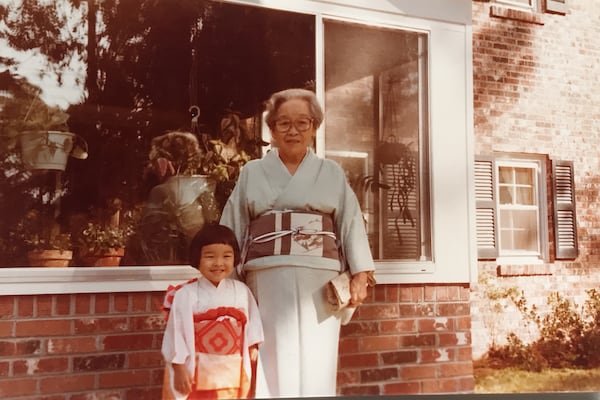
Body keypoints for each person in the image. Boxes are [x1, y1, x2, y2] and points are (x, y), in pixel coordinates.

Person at [220, 88, 376, 398]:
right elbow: (232, 225)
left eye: (302, 123)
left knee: (318, 358)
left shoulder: (330, 172)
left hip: (320, 279)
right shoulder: (253, 172)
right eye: (283, 123)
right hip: (267, 276)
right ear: (273, 129)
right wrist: (226, 277)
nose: (293, 131)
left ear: (314, 127)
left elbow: (351, 222)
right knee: (272, 356)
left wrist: (360, 274)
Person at [161, 223, 264, 400]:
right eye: (210, 256)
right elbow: (175, 332)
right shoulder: (186, 294)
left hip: (233, 368)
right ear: (197, 258)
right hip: (196, 367)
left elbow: (252, 322)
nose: (218, 263)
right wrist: (178, 366)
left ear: (235, 258)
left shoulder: (241, 291)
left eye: (226, 256)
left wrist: (253, 345)